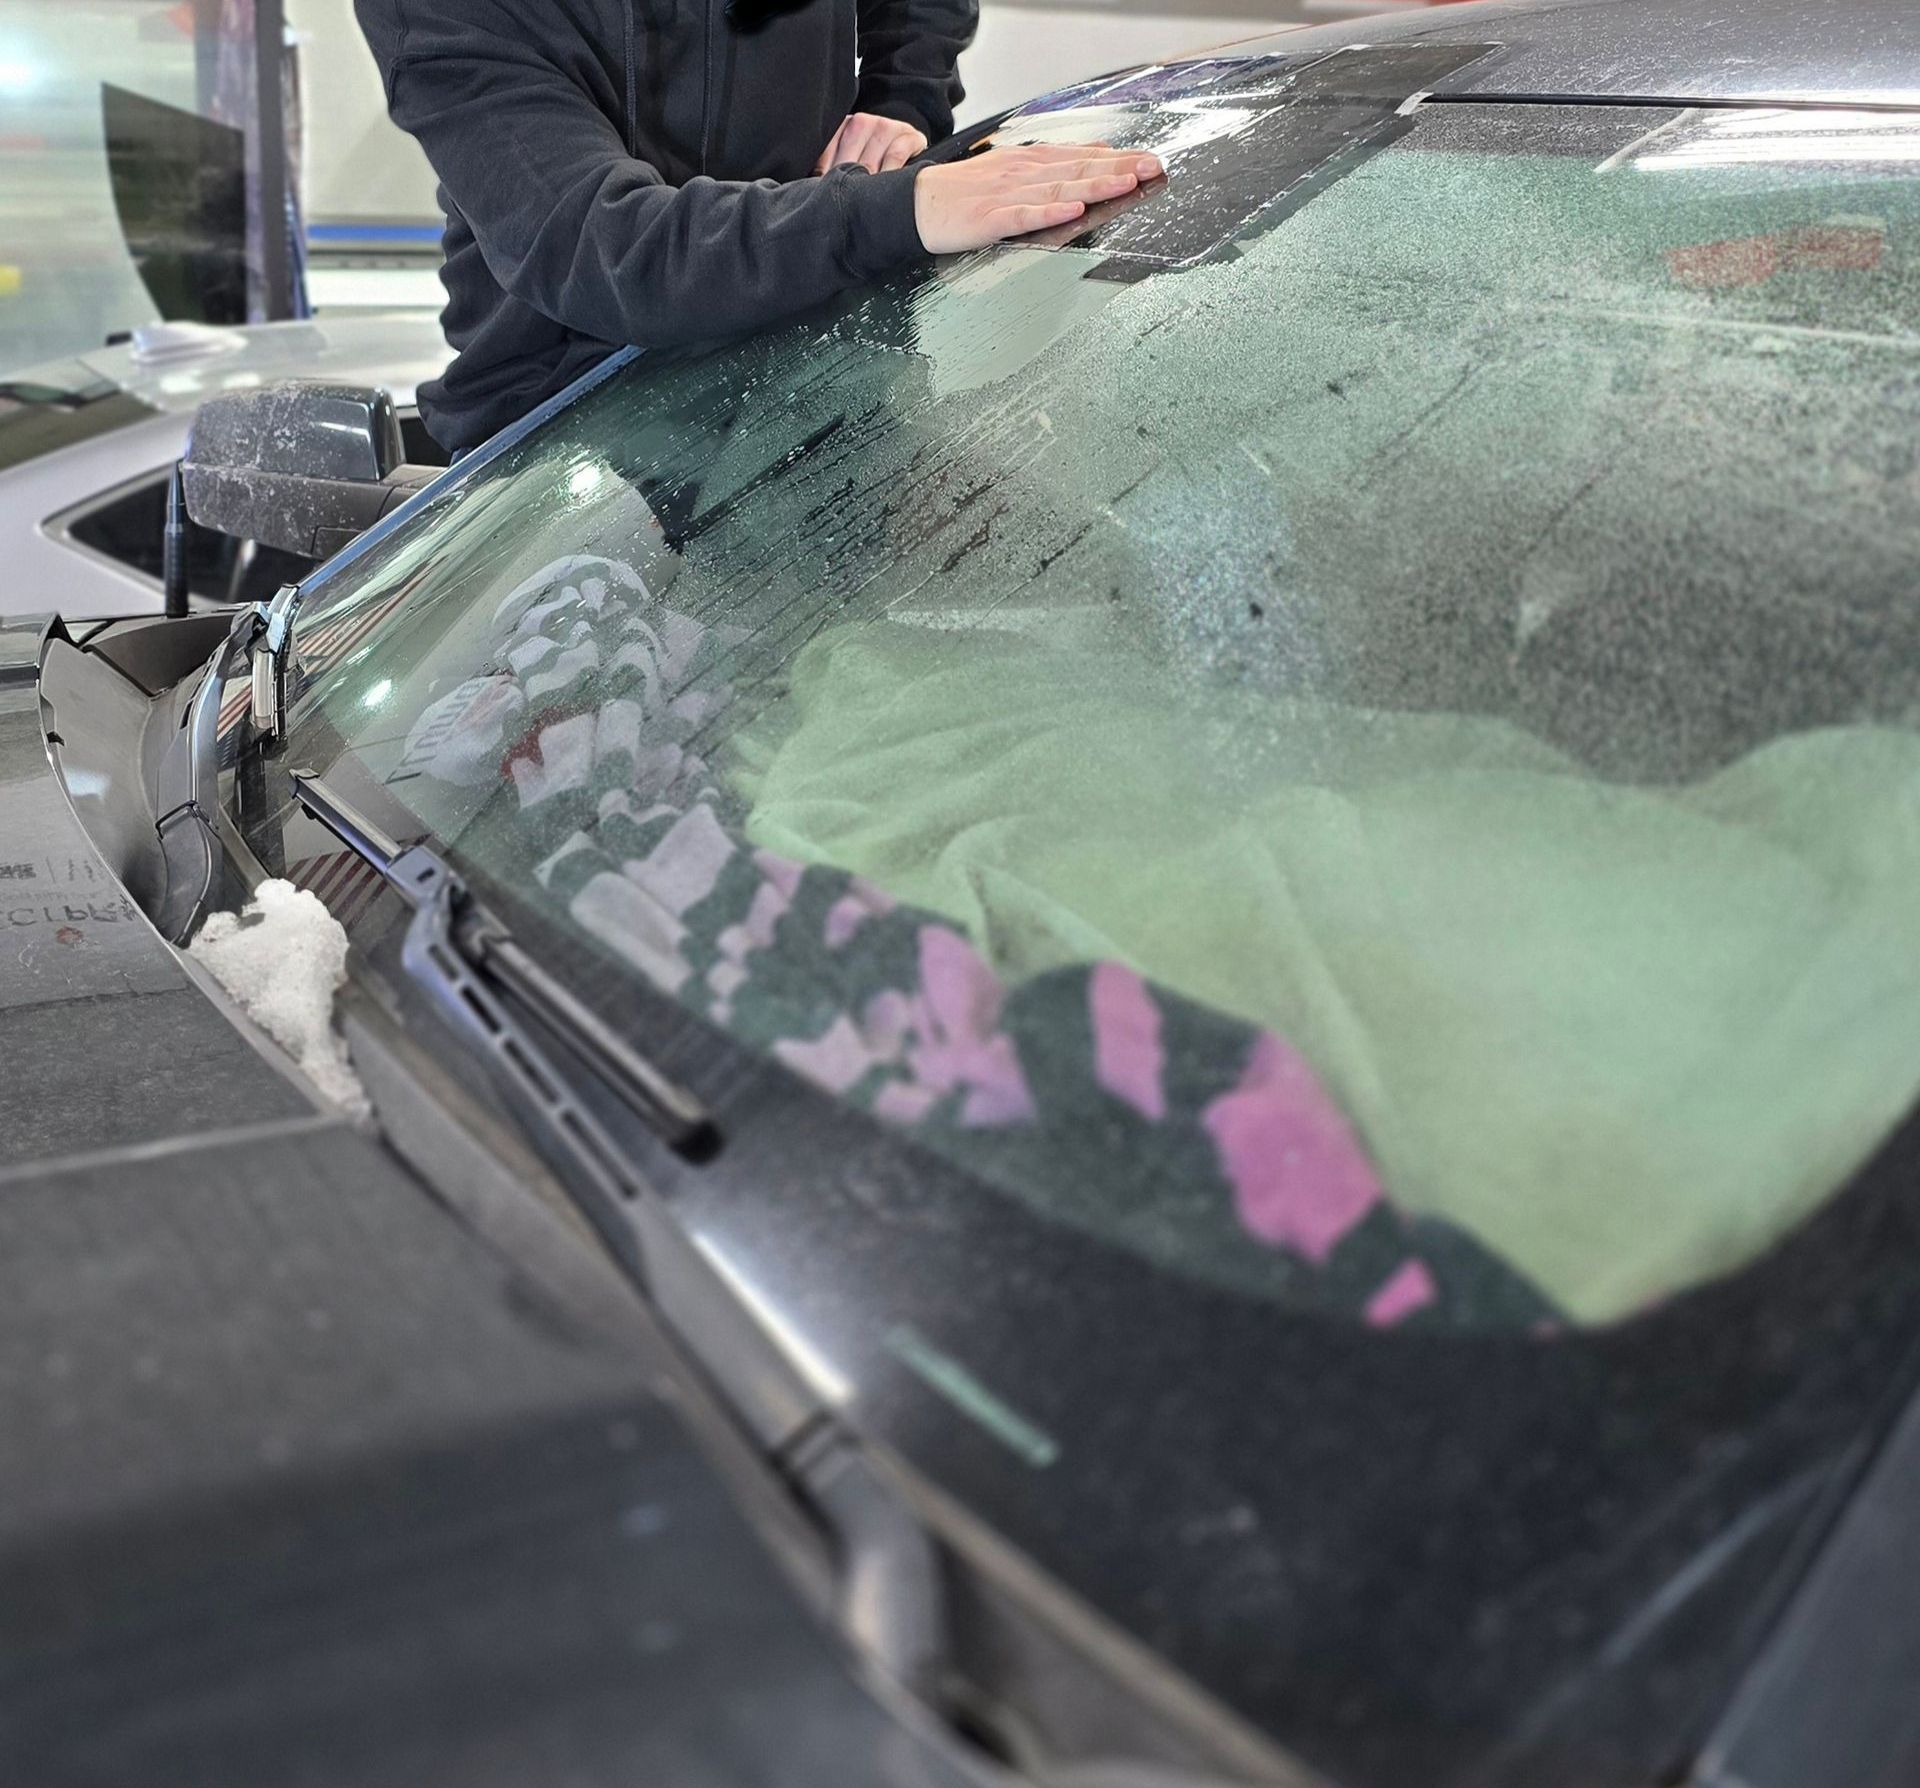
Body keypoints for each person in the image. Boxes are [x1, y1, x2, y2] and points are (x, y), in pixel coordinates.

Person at [354, 0, 1162, 457]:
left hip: (824, 374)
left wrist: (900, 95)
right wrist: (897, 209)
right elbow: (603, 251)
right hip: (568, 442)